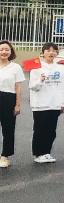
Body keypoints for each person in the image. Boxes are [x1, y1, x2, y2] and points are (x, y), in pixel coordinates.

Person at [28, 43, 64, 164]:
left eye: (54, 51)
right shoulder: (36, 67)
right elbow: (32, 86)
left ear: (57, 53)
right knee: (40, 130)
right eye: (48, 50)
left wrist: (63, 103)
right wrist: (40, 80)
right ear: (43, 53)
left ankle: (46, 152)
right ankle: (38, 154)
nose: (51, 53)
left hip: (54, 104)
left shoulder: (60, 68)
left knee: (51, 131)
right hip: (40, 104)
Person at [0, 40, 25, 168]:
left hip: (8, 98)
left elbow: (18, 87)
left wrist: (17, 105)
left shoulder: (15, 67)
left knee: (8, 128)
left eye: (6, 49)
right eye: (1, 49)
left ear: (11, 52)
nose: (4, 52)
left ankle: (5, 156)